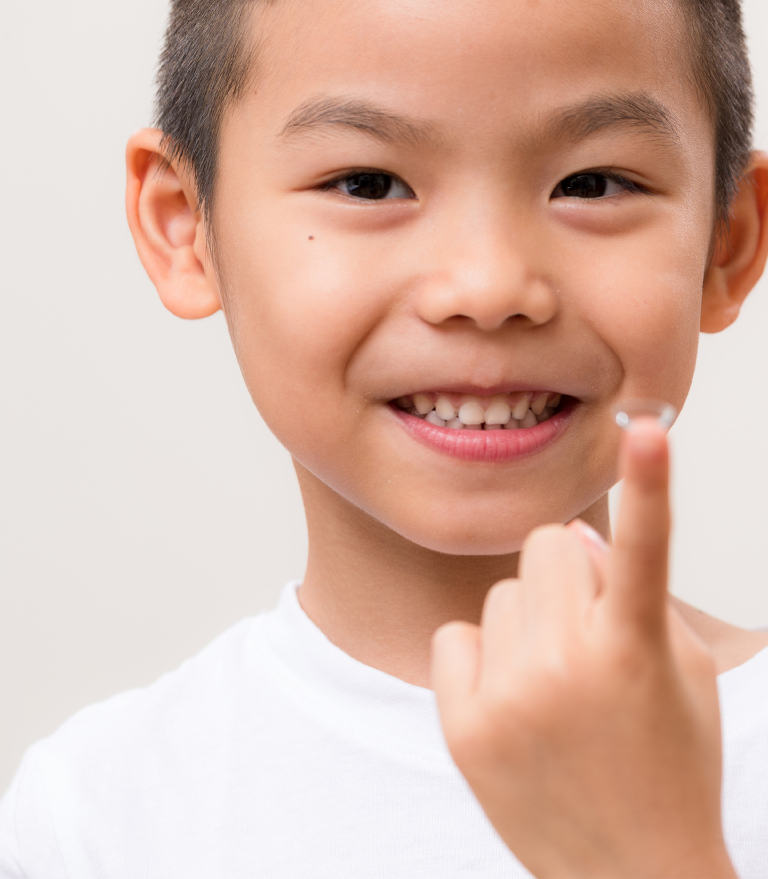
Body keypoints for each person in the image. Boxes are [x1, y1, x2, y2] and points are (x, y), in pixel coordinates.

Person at [2, 0, 768, 876]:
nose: (486, 286)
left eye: (591, 183)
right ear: (185, 221)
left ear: (728, 241)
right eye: (368, 183)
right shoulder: (98, 817)